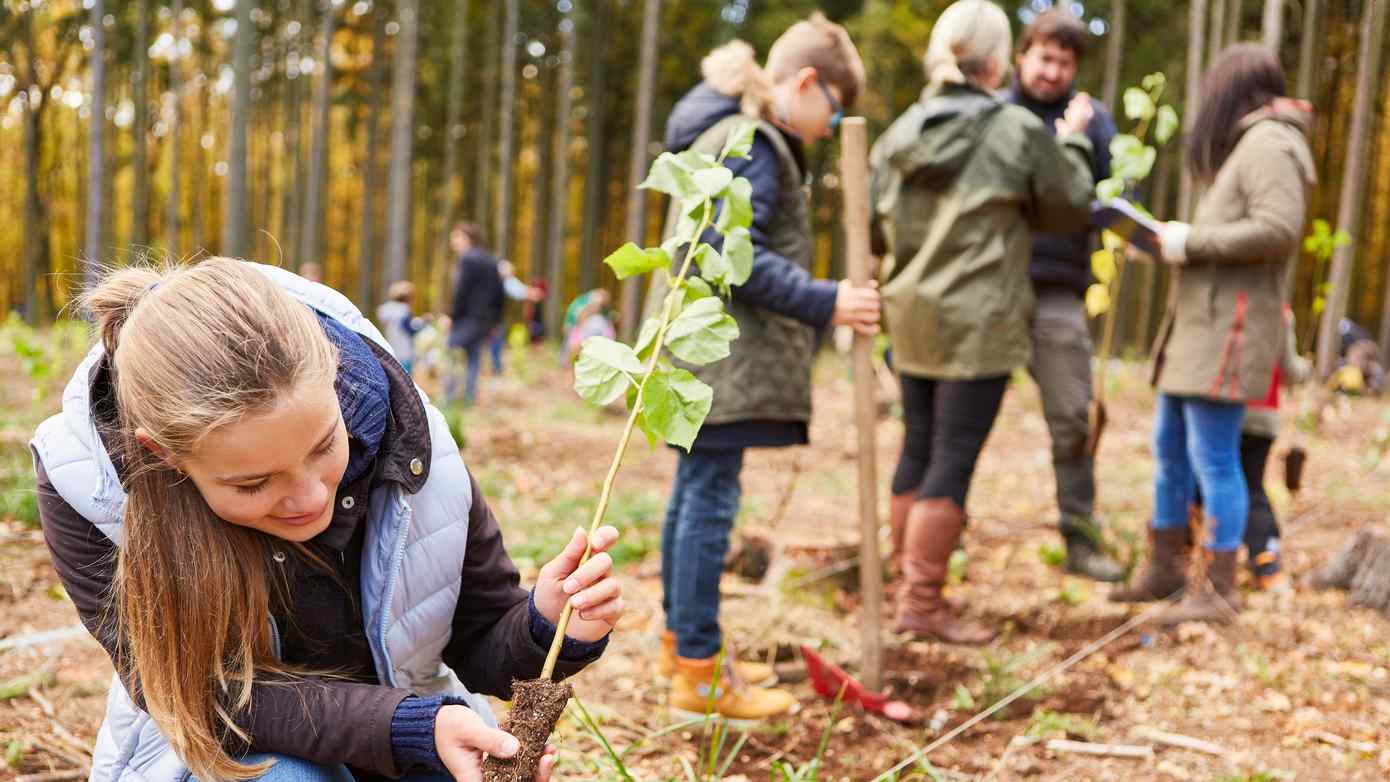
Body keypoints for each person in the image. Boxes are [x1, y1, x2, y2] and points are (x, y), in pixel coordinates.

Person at [31, 258, 625, 782]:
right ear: (163, 453)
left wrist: (549, 625)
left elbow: (477, 633)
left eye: (323, 446)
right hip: (229, 754)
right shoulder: (93, 492)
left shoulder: (413, 442)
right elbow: (206, 697)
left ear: (335, 378)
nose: (309, 496)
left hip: (400, 737)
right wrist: (406, 728)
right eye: (253, 484)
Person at [652, 15, 879, 721]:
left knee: (696, 495)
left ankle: (686, 649)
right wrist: (827, 300)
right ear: (806, 83)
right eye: (834, 109)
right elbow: (731, 256)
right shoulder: (752, 141)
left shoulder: (733, 135)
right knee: (709, 501)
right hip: (722, 356)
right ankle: (698, 671)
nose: (829, 125)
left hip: (709, 354)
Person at [870, 0, 1096, 645]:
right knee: (951, 459)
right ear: (998, 61)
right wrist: (1075, 138)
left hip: (910, 315)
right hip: (981, 321)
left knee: (917, 446)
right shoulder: (1016, 128)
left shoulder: (901, 133)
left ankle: (902, 587)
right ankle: (922, 604)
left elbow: (870, 225)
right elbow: (1070, 204)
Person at [1110, 44, 1316, 625]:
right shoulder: (1247, 147)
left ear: (1233, 91)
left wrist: (1190, 242)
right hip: (1196, 331)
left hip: (1228, 332)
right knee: (1171, 452)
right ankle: (1164, 569)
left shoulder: (1272, 143)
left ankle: (1218, 589)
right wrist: (1165, 246)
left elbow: (1278, 228)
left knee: (1217, 460)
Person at [1004, 7, 1124, 582]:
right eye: (1044, 57)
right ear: (1022, 54)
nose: (1052, 71)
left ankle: (1080, 539)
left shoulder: (1094, 120)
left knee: (1074, 418)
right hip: (992, 289)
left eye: (1065, 62)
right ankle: (932, 543)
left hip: (1058, 290)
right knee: (954, 416)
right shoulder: (995, 111)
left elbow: (1114, 191)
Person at [1240, 310, 1309, 591]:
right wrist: (1307, 368)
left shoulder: (1226, 299)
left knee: (1221, 481)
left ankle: (1261, 559)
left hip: (1221, 412)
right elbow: (1290, 371)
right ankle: (1265, 559)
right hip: (1262, 416)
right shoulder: (1280, 311)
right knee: (1250, 485)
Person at [446, 223, 505, 405]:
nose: (453, 242)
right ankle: (468, 399)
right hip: (485, 320)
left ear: (467, 238)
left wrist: (452, 316)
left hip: (466, 318)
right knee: (473, 358)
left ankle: (449, 399)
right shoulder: (491, 260)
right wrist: (495, 321)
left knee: (452, 353)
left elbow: (461, 291)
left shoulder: (467, 259)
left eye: (456, 237)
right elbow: (499, 292)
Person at [376, 280, 424, 374]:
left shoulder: (386, 309)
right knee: (405, 377)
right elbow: (409, 330)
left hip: (390, 347)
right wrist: (421, 323)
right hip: (405, 350)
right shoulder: (404, 310)